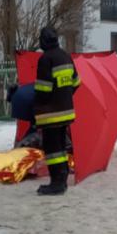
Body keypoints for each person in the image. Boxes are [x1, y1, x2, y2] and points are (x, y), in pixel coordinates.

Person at [33, 26, 80, 195]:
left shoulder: (46, 59)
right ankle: (62, 178)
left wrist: (36, 106)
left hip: (50, 114)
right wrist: (64, 96)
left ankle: (57, 183)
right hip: (66, 111)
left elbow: (43, 90)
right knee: (60, 147)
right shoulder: (65, 56)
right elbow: (76, 82)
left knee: (53, 150)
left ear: (43, 41)